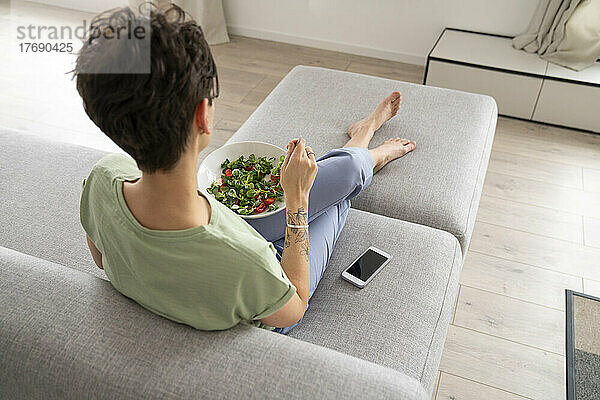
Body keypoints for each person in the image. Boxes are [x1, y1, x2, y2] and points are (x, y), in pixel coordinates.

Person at [76, 4, 416, 334]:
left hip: (218, 244)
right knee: (338, 195)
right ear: (202, 115)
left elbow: (103, 260)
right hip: (269, 299)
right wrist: (296, 201)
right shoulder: (243, 259)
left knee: (338, 180)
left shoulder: (102, 178)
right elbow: (293, 307)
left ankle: (361, 141)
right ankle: (364, 145)